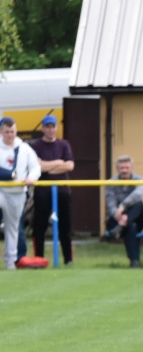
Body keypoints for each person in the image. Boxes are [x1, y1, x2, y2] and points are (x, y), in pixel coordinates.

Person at [28, 114, 75, 266]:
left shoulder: (64, 145)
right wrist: (57, 163)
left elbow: (69, 166)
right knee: (39, 227)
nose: (50, 129)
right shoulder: (35, 146)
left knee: (65, 227)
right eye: (47, 127)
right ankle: (39, 259)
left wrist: (47, 167)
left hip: (62, 191)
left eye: (52, 126)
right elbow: (37, 167)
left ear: (56, 128)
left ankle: (68, 260)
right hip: (42, 192)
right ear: (42, 128)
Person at [0, 117, 41, 270]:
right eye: (7, 132)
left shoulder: (24, 148)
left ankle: (11, 262)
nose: (10, 135)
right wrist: (8, 175)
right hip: (0, 190)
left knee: (13, 228)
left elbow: (35, 166)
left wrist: (32, 177)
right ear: (1, 132)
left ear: (16, 131)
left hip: (17, 193)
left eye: (12, 131)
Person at [105, 155, 143, 268]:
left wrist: (123, 207)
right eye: (121, 168)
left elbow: (138, 194)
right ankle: (134, 261)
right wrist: (118, 215)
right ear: (117, 169)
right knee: (131, 226)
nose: (124, 170)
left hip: (136, 219)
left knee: (138, 203)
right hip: (115, 221)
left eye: (127, 168)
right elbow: (110, 204)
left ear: (132, 168)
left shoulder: (139, 179)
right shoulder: (110, 183)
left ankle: (123, 223)